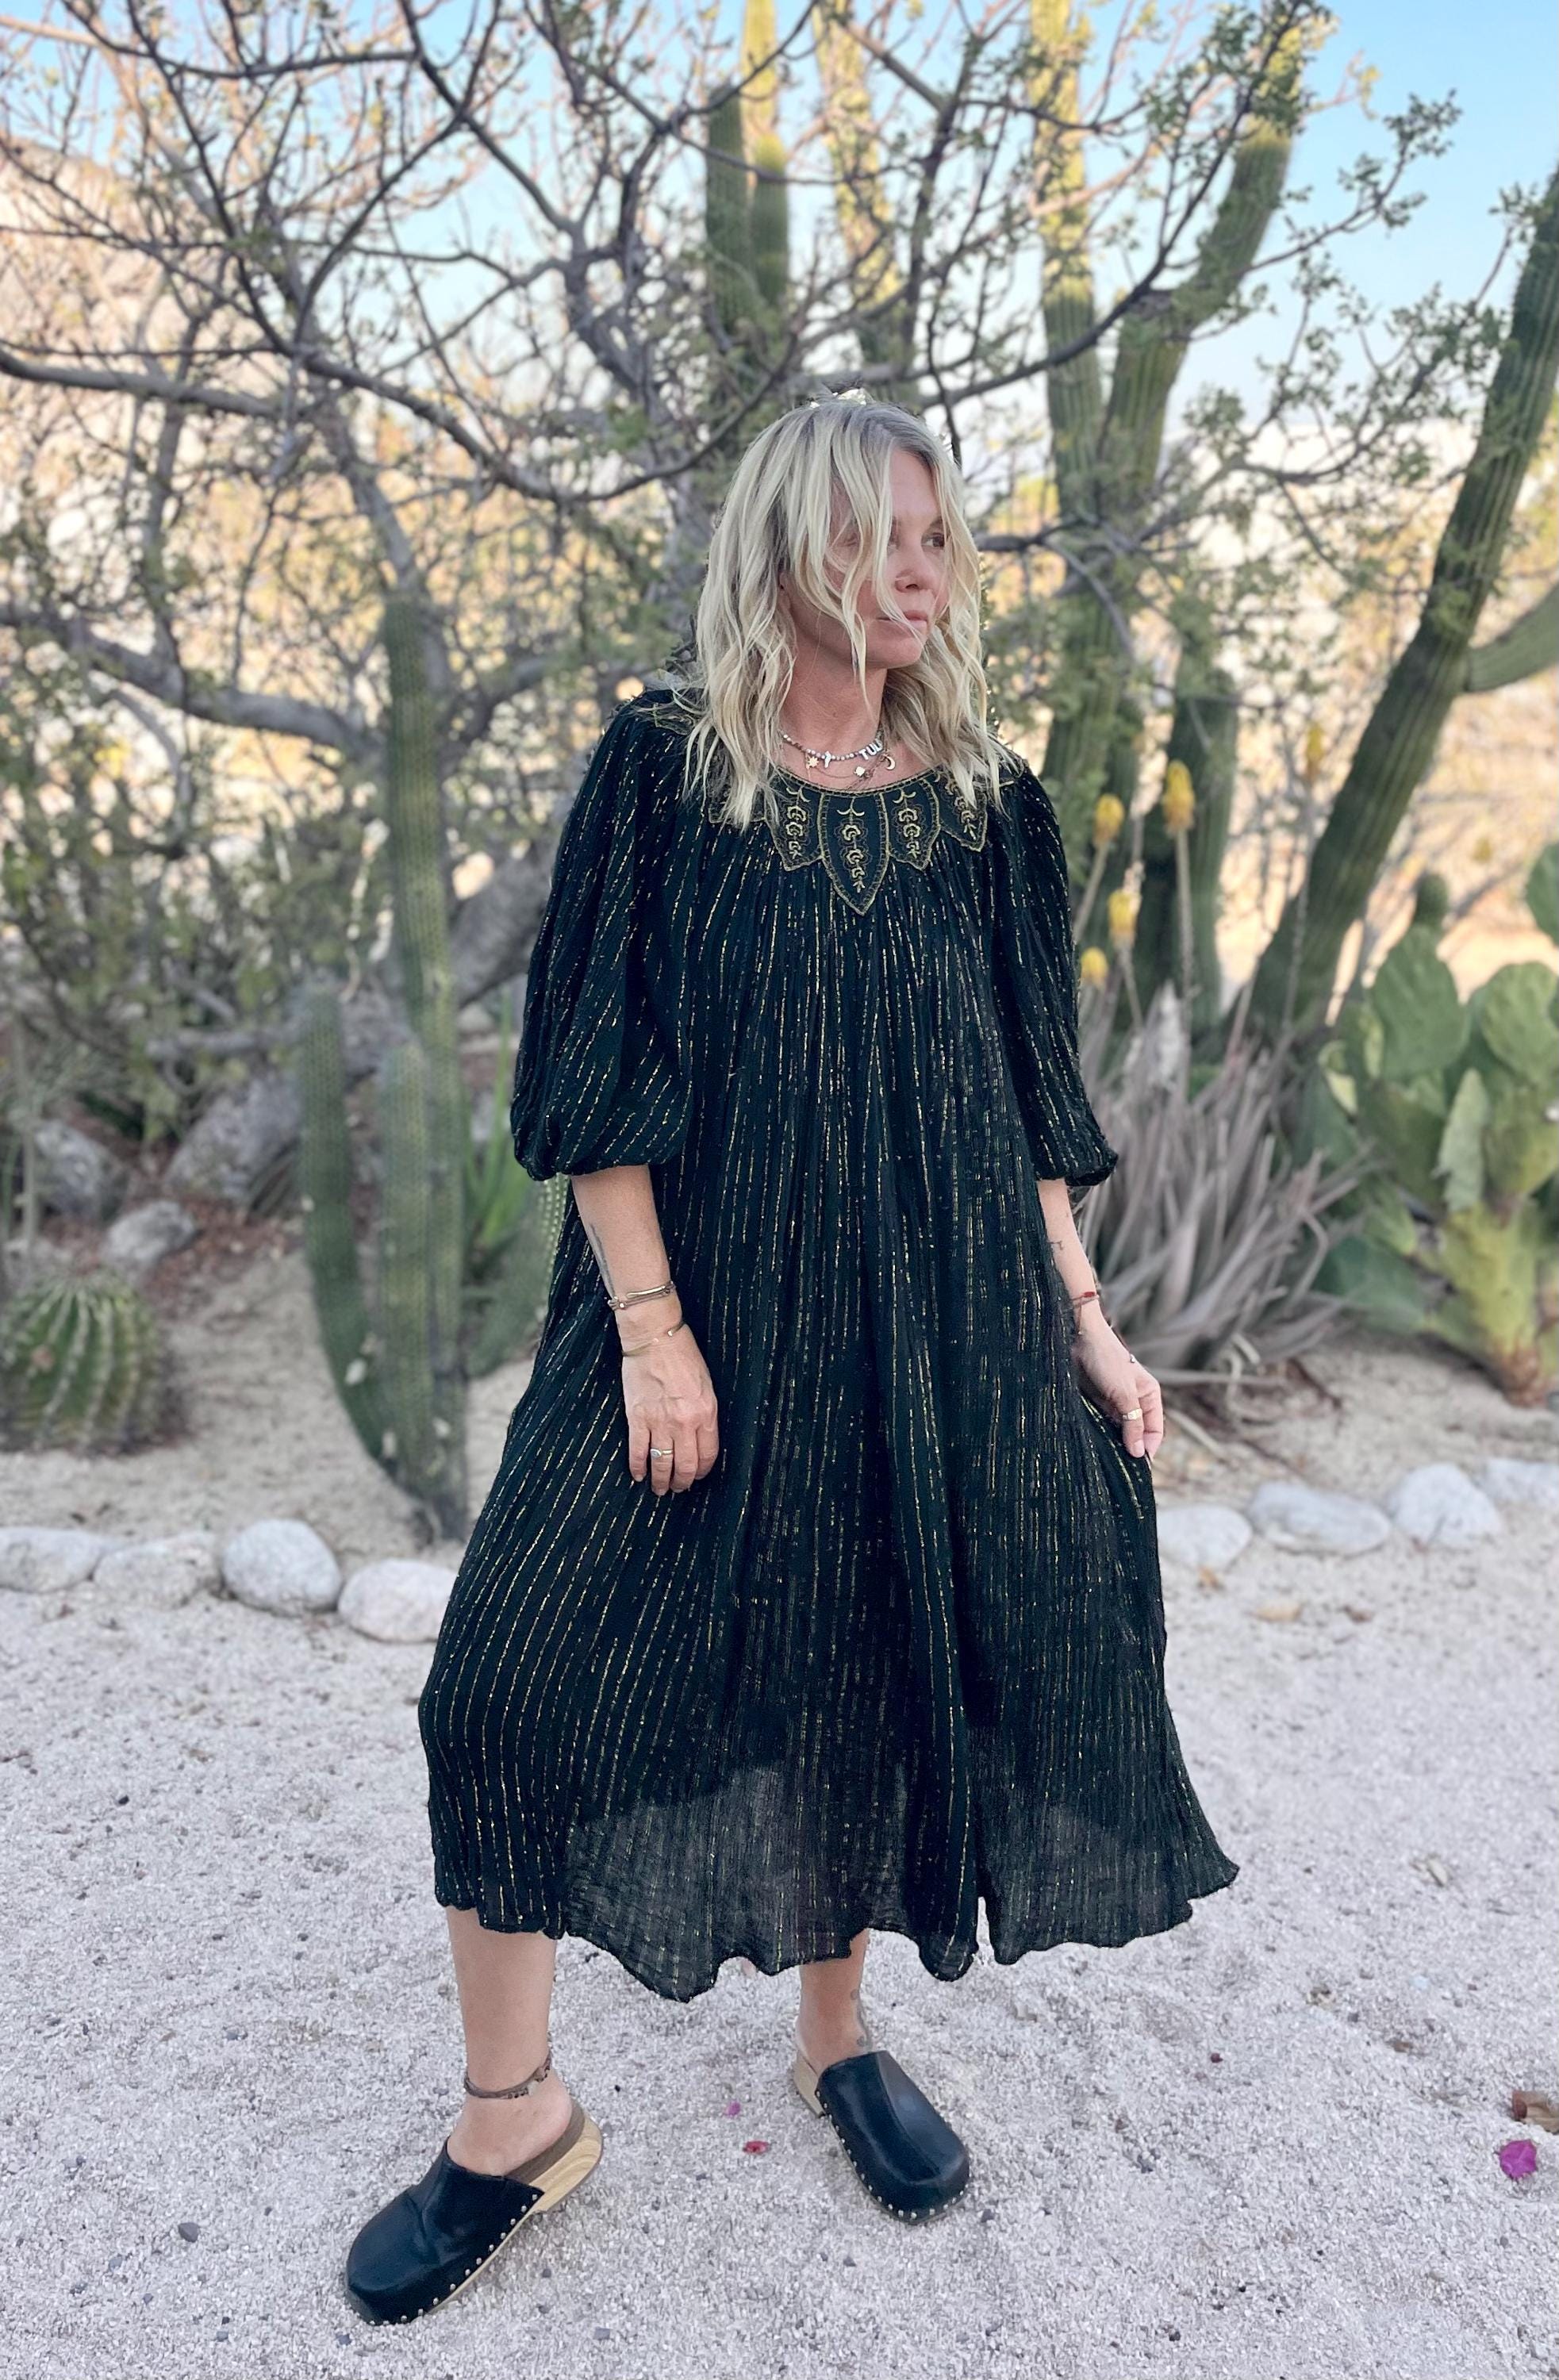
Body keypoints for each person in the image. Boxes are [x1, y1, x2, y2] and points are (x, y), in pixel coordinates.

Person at [344, 397, 1238, 2326]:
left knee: (866, 1666)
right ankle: (512, 2120)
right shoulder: (663, 775)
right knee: (500, 1684)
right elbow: (590, 1072)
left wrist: (1085, 1321)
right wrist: (654, 1338)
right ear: (790, 546)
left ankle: (837, 2040)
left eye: (938, 541)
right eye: (882, 537)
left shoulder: (985, 805)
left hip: (932, 1316)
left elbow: (1023, 1098)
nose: (922, 575)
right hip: (691, 1314)